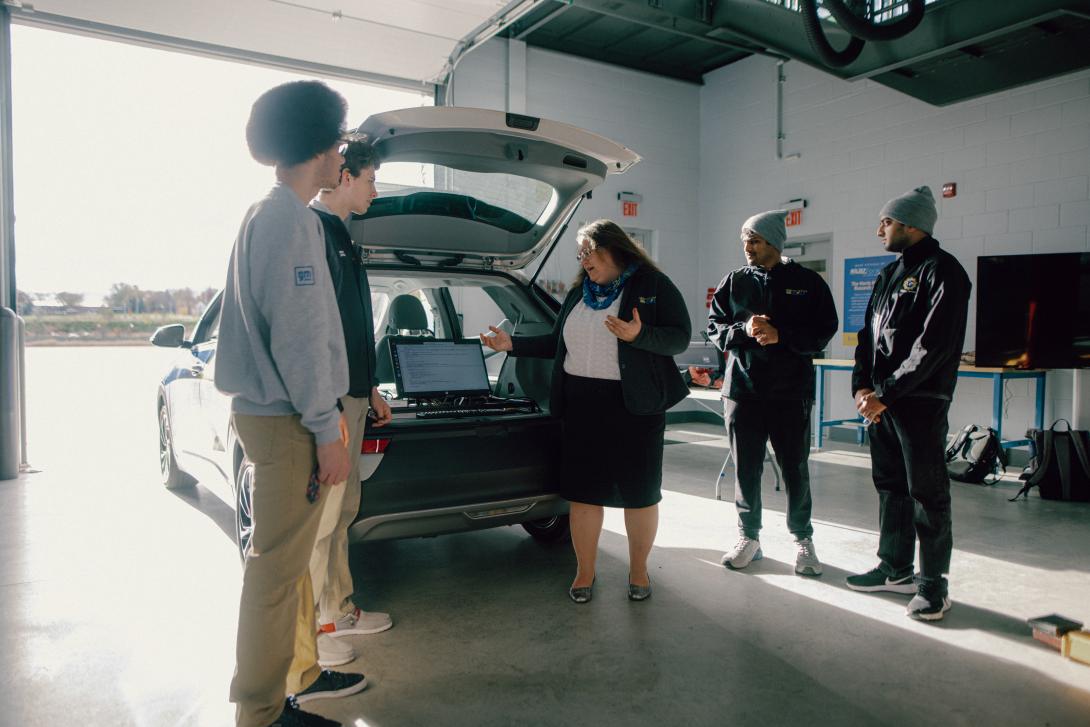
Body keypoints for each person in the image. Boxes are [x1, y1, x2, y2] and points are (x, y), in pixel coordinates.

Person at [216, 81, 365, 727]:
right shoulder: (292, 221)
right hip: (288, 424)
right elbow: (301, 339)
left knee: (278, 571)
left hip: (272, 418)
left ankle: (278, 694)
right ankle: (261, 711)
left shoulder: (266, 212)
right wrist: (326, 430)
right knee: (275, 576)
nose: (343, 157)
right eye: (338, 143)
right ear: (320, 148)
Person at [480, 219, 690, 603]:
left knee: (640, 493)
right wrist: (513, 344)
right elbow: (558, 343)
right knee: (583, 494)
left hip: (634, 407)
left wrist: (638, 335)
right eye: (580, 254)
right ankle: (585, 571)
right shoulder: (580, 293)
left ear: (612, 249)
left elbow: (679, 336)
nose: (583, 260)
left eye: (587, 251)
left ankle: (639, 570)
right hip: (580, 404)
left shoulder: (652, 285)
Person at [281, 140, 395, 692]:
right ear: (344, 177)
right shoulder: (314, 231)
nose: (376, 190)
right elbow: (312, 331)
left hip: (351, 395)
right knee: (322, 522)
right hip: (329, 401)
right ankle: (313, 632)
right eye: (371, 179)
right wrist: (331, 404)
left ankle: (337, 608)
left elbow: (350, 325)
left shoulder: (342, 237)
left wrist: (368, 386)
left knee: (343, 510)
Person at [847, 186, 971, 622]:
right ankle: (894, 568)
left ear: (912, 225)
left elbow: (932, 345)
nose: (879, 228)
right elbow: (867, 338)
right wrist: (862, 388)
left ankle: (933, 587)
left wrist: (886, 393)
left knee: (927, 494)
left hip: (918, 402)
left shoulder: (945, 272)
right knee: (891, 488)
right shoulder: (889, 274)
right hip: (881, 402)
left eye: (887, 221)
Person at [707, 210, 838, 575]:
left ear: (775, 243)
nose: (747, 247)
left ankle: (803, 540)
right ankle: (749, 537)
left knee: (794, 468)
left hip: (790, 393)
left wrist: (783, 336)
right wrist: (744, 328)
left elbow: (825, 330)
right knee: (746, 468)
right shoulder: (733, 282)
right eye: (745, 240)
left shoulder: (807, 283)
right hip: (743, 392)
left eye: (756, 240)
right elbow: (715, 328)